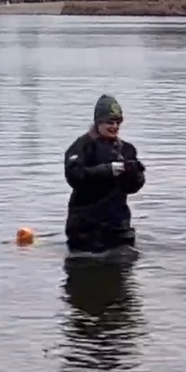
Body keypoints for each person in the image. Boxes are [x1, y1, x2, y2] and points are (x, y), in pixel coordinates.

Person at [64, 94, 146, 254]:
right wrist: (107, 170)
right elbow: (75, 177)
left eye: (118, 122)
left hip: (118, 228)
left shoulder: (127, 149)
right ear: (98, 122)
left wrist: (134, 175)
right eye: (110, 122)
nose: (115, 126)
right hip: (85, 230)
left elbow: (132, 188)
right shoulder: (81, 147)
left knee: (124, 270)